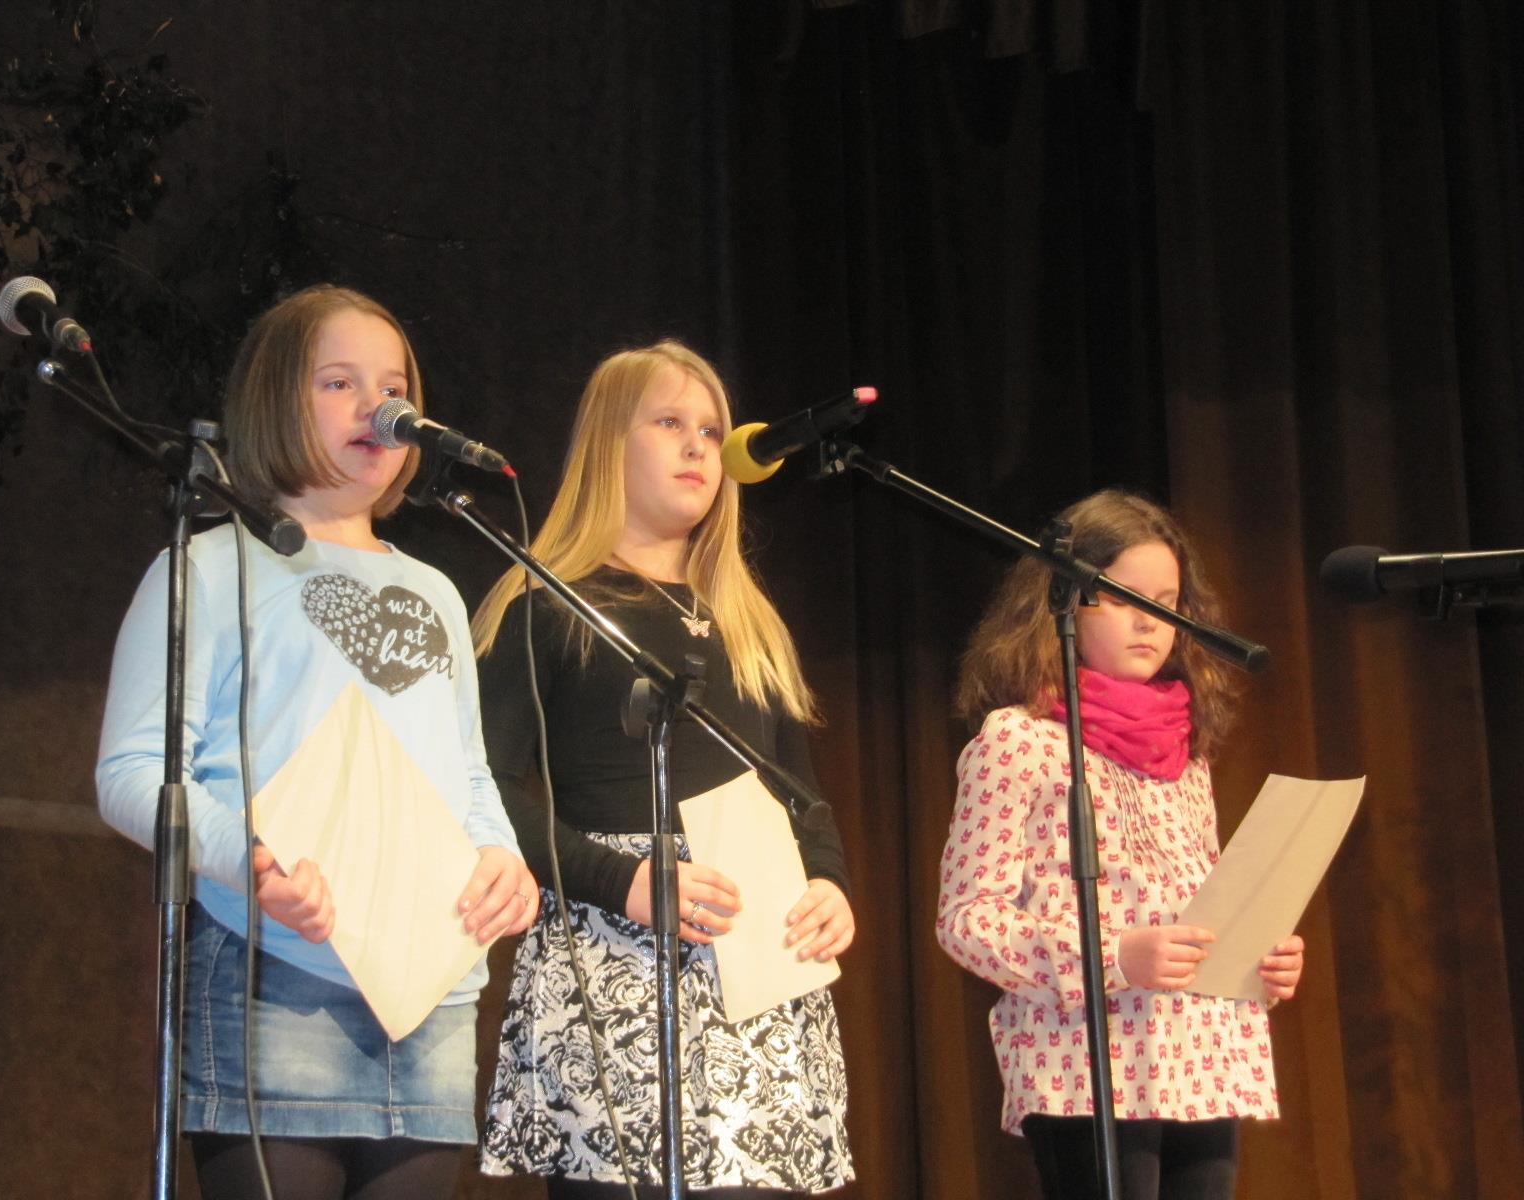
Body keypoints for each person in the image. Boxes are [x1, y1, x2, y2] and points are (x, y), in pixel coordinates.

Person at [96, 284, 538, 1200]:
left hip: (428, 995)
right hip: (271, 977)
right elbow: (133, 772)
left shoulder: (436, 592)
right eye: (340, 383)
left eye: (394, 387)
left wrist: (500, 854)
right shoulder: (207, 568)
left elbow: (466, 770)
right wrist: (250, 861)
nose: (378, 407)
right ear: (272, 400)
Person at [471, 340, 856, 1197]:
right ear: (609, 443)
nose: (698, 447)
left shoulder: (749, 622)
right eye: (670, 422)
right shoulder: (547, 605)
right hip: (613, 956)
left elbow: (800, 793)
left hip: (757, 963)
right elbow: (487, 789)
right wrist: (626, 881)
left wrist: (828, 881)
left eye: (711, 431)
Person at [936, 489, 1306, 1200]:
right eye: (1124, 597)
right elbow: (966, 921)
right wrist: (1112, 957)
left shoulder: (1187, 753)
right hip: (1085, 1064)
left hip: (1202, 1056)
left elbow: (1199, 906)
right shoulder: (1017, 742)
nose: (1150, 621)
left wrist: (1256, 953)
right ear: (1066, 603)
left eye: (1166, 602)